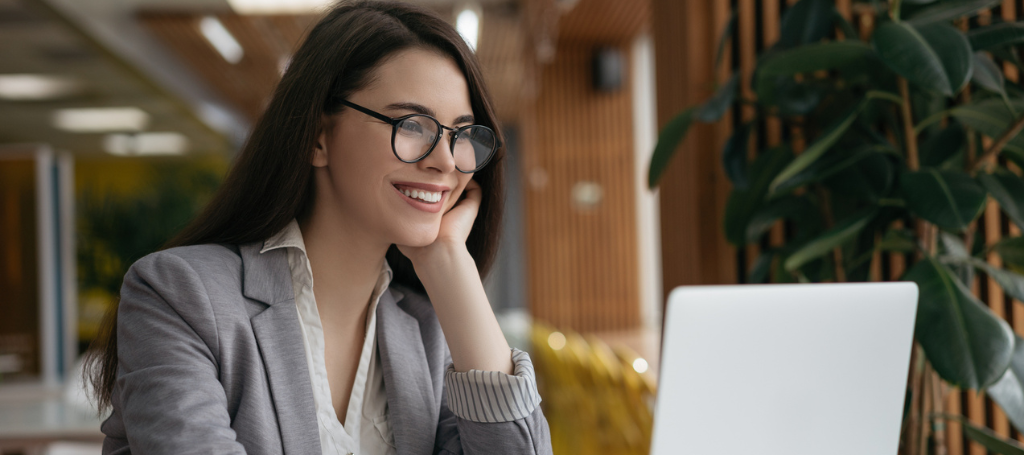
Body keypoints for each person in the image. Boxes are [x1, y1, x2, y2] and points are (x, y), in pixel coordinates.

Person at [83, 1, 553, 454]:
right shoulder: (179, 296)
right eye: (413, 124)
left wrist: (453, 269)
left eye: (461, 134)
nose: (446, 161)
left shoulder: (430, 333)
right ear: (317, 136)